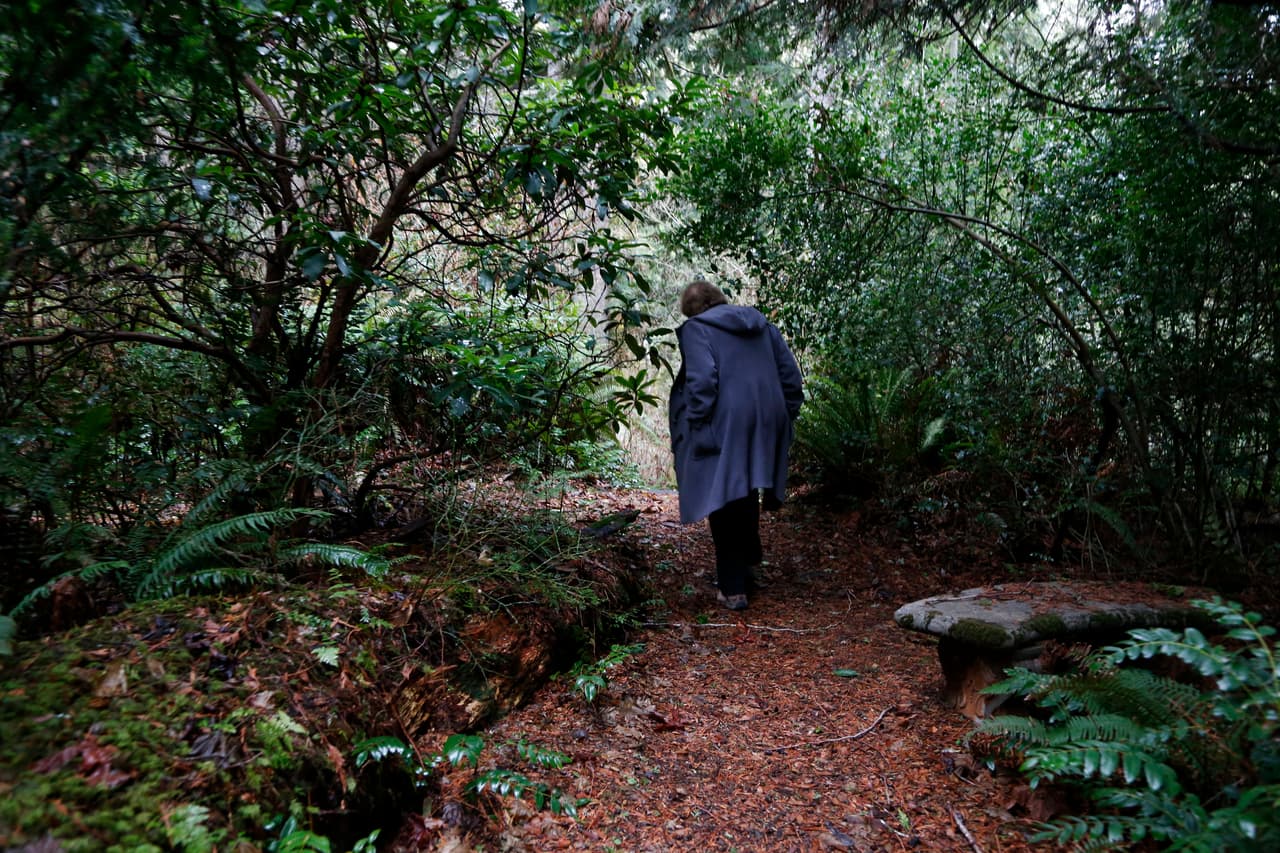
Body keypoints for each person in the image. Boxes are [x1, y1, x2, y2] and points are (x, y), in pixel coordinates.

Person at [668, 279, 804, 610]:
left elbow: (702, 380)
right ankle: (747, 562)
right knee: (744, 489)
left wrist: (697, 424)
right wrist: (785, 414)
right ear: (719, 299)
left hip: (725, 419)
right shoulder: (761, 324)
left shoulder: (696, 330)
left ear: (692, 311)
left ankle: (733, 587)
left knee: (720, 496)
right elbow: (790, 375)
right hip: (767, 415)